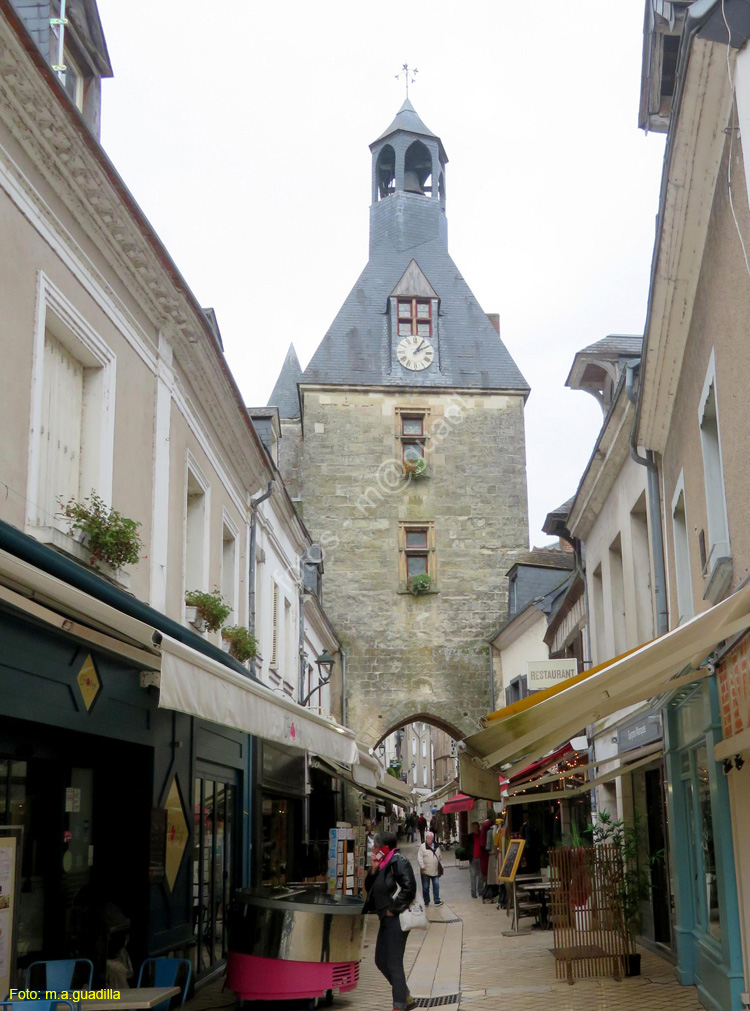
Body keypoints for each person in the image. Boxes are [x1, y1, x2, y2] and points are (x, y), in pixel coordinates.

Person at [362, 831, 418, 1011]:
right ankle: (406, 996)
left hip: (396, 918)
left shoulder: (398, 861)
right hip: (384, 918)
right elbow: (369, 888)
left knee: (394, 963)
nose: (373, 849)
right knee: (380, 960)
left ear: (385, 848)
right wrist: (373, 869)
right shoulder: (382, 863)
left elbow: (409, 888)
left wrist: (394, 909)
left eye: (376, 846)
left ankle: (399, 1006)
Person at [417, 831, 443, 906]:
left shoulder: (436, 846)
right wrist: (422, 866)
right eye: (427, 838)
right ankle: (426, 901)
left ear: (432, 839)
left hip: (435, 870)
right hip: (425, 870)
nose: (428, 840)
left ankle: (437, 900)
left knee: (436, 885)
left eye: (430, 838)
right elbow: (419, 857)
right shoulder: (422, 847)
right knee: (425, 887)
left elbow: (440, 856)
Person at [469, 821, 484, 899]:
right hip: (473, 858)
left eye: (474, 827)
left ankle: (480, 890)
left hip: (480, 858)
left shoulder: (482, 835)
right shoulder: (470, 836)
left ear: (477, 827)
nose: (472, 829)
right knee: (473, 876)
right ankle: (473, 893)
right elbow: (467, 847)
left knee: (481, 875)